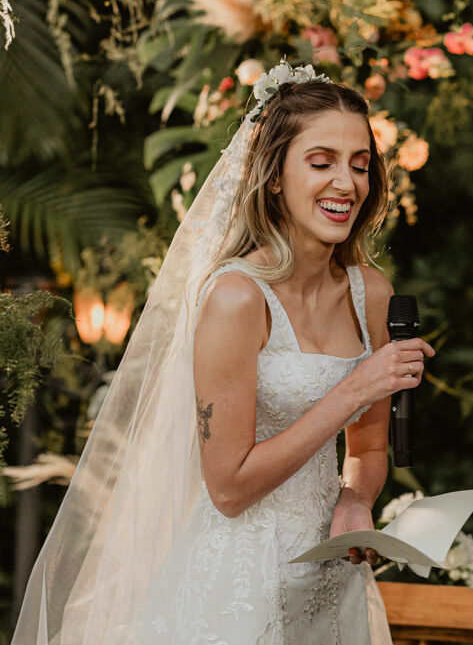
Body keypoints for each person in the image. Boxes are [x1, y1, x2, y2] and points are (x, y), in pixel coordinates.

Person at [12, 65, 434, 645]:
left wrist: (356, 499)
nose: (346, 183)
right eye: (321, 162)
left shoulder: (373, 294)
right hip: (239, 585)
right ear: (276, 176)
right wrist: (357, 388)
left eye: (359, 165)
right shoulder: (237, 298)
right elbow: (229, 488)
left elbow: (365, 447)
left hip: (329, 579)